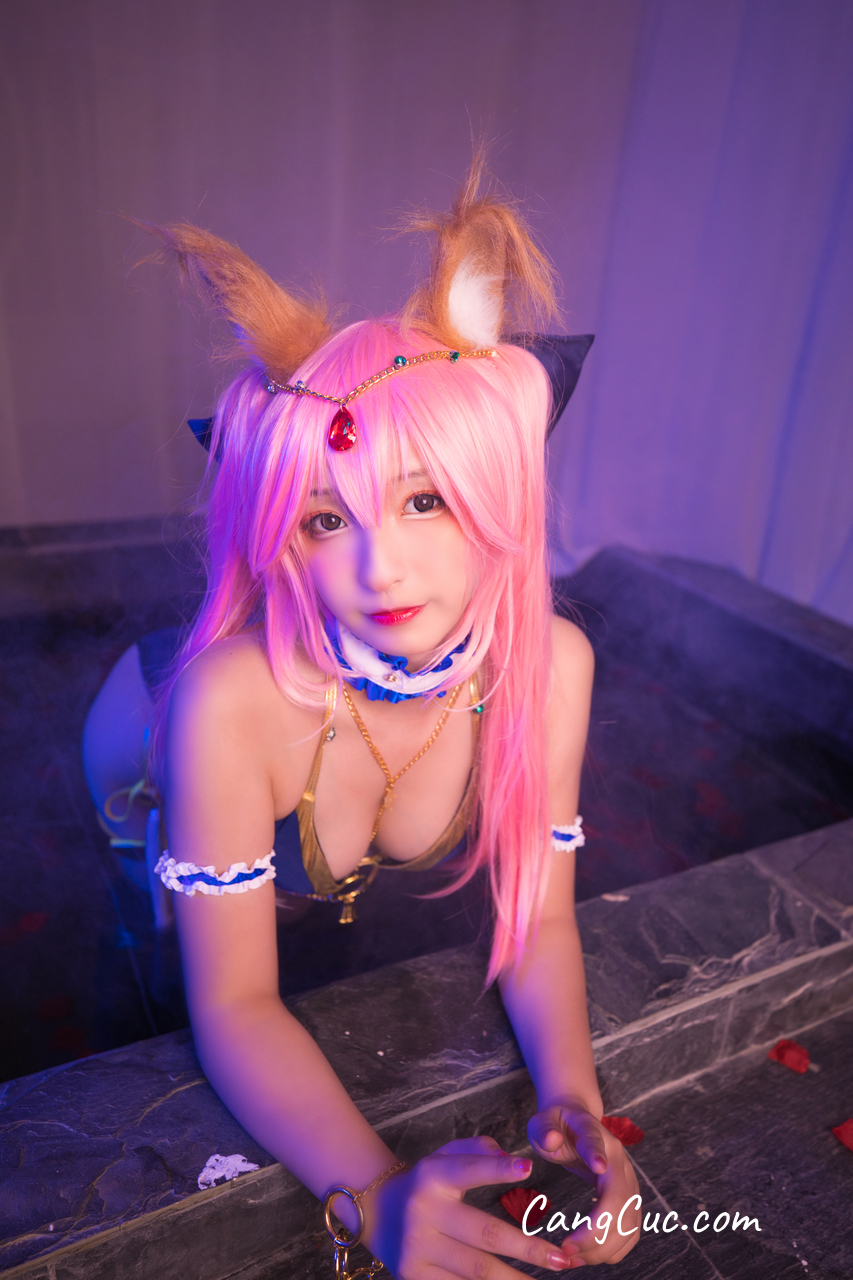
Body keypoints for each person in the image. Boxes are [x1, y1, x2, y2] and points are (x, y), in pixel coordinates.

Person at [83, 163, 640, 1276]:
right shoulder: (223, 704)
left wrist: (576, 1102)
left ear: (497, 491)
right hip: (139, 744)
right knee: (151, 947)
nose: (380, 565)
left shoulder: (551, 666)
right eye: (325, 518)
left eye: (425, 498)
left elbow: (535, 919)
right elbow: (234, 1001)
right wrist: (376, 1195)